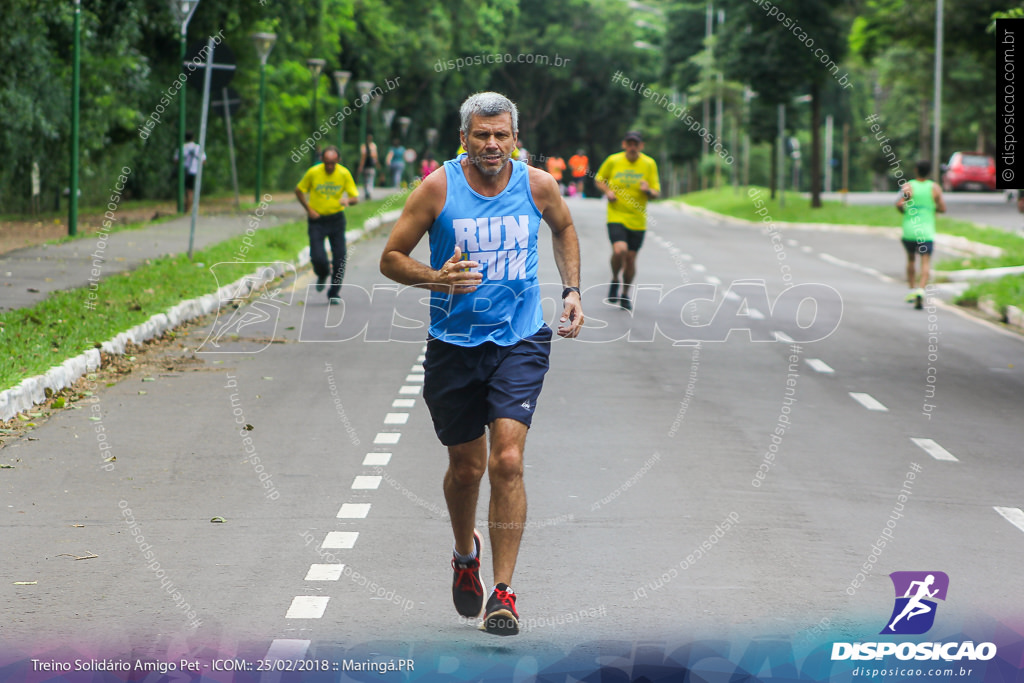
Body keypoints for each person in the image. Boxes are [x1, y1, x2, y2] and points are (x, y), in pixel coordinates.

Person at [379, 91, 583, 637]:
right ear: (463, 138)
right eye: (481, 135)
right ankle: (464, 554)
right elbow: (390, 258)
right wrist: (437, 277)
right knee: (466, 469)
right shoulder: (438, 188)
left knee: (508, 461)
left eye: (501, 135)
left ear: (515, 139)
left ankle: (505, 592)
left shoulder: (537, 185)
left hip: (520, 339)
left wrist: (571, 289)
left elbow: (564, 227)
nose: (492, 144)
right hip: (454, 344)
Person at [594, 131, 660, 311]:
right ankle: (615, 278)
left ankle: (625, 293)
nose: (632, 147)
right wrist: (607, 192)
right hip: (616, 215)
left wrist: (648, 190)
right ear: (624, 145)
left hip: (638, 220)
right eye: (629, 143)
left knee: (630, 259)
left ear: (641, 146)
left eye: (635, 144)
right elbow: (600, 179)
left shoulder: (649, 164)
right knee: (619, 249)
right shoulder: (613, 160)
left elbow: (656, 192)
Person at [295, 146, 359, 303]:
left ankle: (334, 293)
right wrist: (308, 209)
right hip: (317, 220)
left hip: (336, 220)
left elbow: (355, 198)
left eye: (332, 163)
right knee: (317, 257)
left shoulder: (344, 174)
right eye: (326, 163)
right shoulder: (313, 172)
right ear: (322, 161)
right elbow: (299, 190)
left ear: (338, 161)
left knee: (340, 258)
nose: (329, 166)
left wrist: (347, 200)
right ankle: (322, 273)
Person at [896, 160, 946, 310]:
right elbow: (943, 208)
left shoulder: (908, 186)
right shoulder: (935, 188)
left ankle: (911, 289)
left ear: (916, 170)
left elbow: (900, 204)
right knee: (925, 261)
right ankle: (921, 289)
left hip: (910, 229)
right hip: (926, 232)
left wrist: (905, 211)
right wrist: (932, 209)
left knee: (911, 259)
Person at [175, 131, 206, 212]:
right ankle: (187, 208)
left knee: (183, 190)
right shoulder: (198, 148)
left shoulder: (182, 147)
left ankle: (184, 208)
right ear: (193, 138)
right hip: (194, 171)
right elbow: (203, 160)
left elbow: (176, 160)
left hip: (184, 171)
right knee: (190, 191)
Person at [357, 133, 378, 200]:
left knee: (365, 180)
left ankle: (367, 192)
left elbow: (363, 158)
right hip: (371, 166)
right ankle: (369, 191)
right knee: (370, 180)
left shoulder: (363, 146)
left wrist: (361, 166)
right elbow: (375, 157)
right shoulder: (373, 146)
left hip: (366, 167)